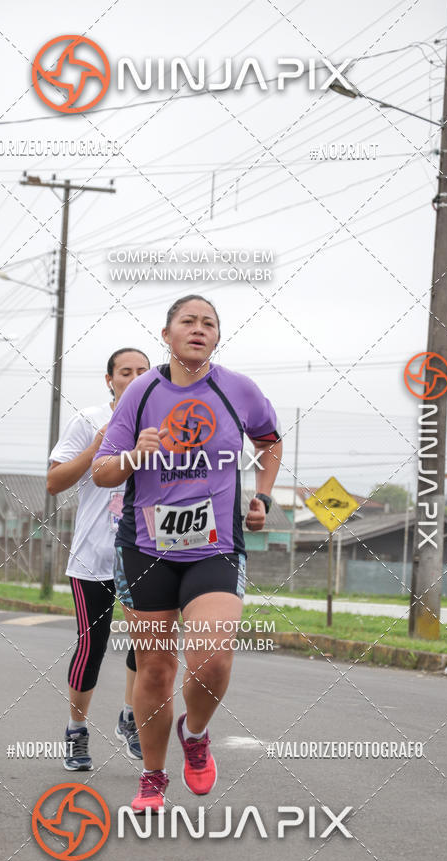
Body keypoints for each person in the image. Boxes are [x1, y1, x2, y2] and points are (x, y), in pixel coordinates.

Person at [92, 295, 282, 812]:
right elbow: (102, 471)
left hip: (214, 547)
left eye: (209, 323)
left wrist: (262, 496)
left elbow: (269, 442)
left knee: (213, 657)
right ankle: (153, 777)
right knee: (154, 668)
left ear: (217, 338)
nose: (198, 329)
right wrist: (134, 454)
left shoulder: (237, 388)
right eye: (188, 321)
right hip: (146, 546)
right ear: (167, 333)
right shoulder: (141, 392)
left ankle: (195, 733)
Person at [47, 347, 150, 770]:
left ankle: (131, 716)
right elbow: (54, 482)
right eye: (125, 371)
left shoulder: (163, 426)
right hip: (93, 556)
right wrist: (94, 448)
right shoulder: (88, 419)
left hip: (145, 554)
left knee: (147, 644)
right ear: (110, 380)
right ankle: (76, 730)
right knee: (93, 644)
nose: (134, 377)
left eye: (143, 371)